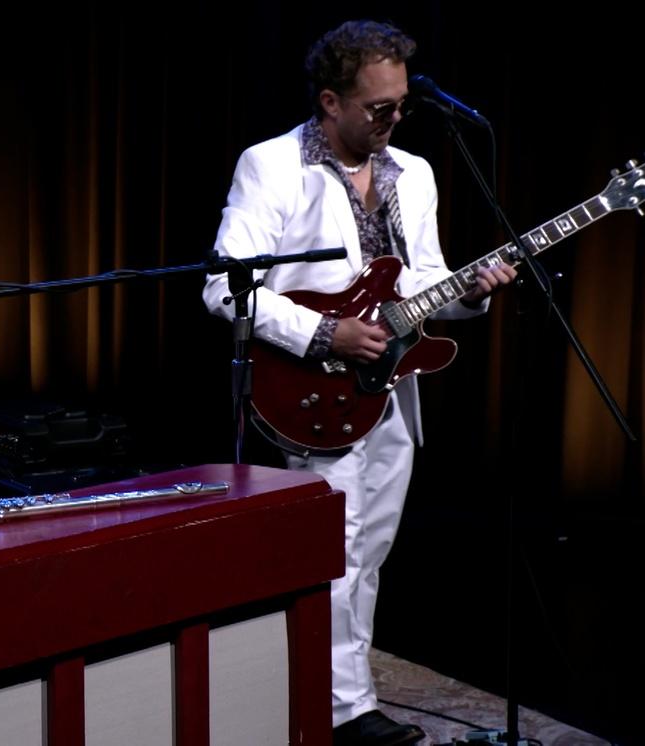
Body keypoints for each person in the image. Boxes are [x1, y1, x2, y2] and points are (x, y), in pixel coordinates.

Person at [202, 20, 517, 746]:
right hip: (310, 387)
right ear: (329, 102)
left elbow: (427, 279)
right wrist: (325, 332)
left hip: (389, 385)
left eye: (400, 105)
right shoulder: (272, 166)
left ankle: (341, 698)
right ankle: (341, 712)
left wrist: (473, 291)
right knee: (331, 551)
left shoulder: (414, 172)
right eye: (378, 108)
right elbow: (224, 287)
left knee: (366, 553)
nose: (392, 120)